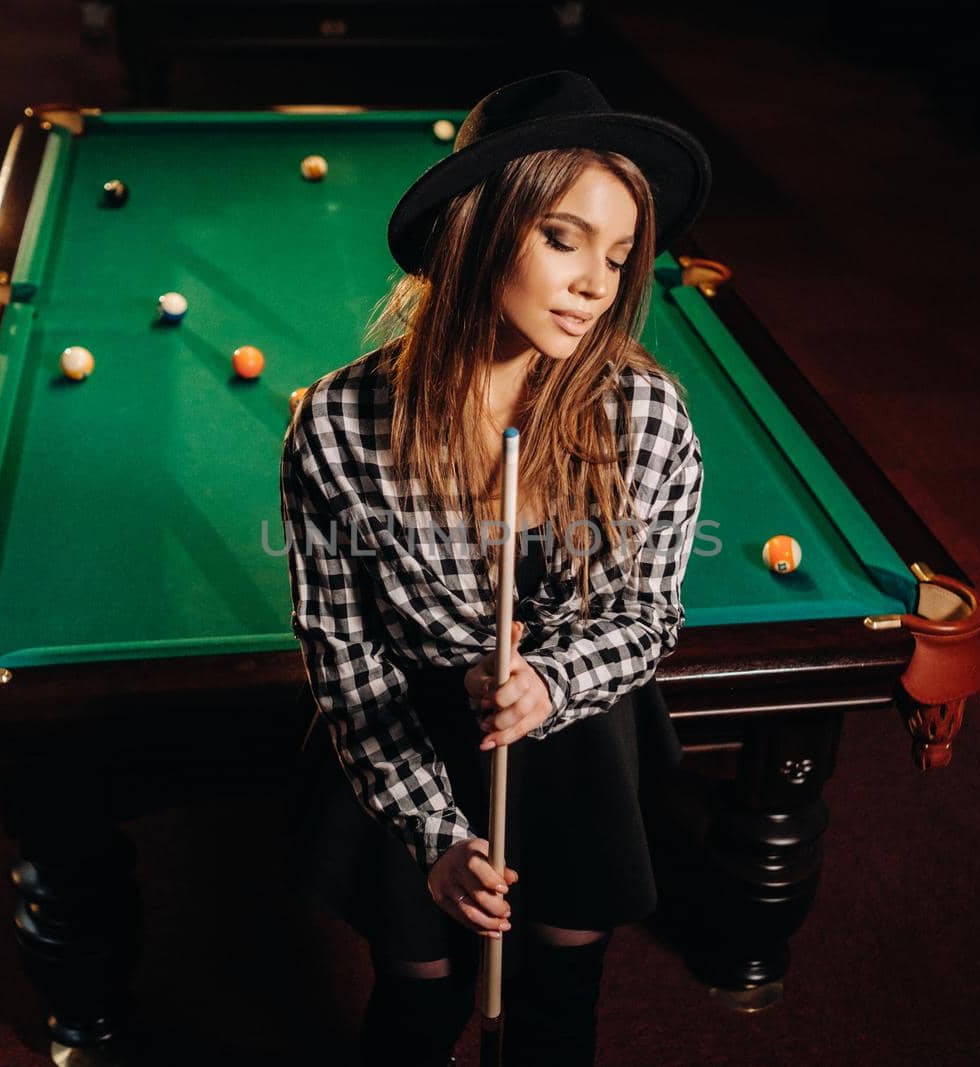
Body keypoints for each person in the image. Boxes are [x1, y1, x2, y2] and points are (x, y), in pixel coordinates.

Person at [279, 70, 710, 1066]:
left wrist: (547, 681)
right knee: (419, 997)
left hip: (575, 728)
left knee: (553, 1002)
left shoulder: (644, 414)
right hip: (408, 725)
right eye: (563, 237)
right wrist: (435, 836)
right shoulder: (339, 422)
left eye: (616, 253)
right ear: (477, 228)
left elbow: (645, 619)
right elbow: (343, 650)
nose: (598, 283)